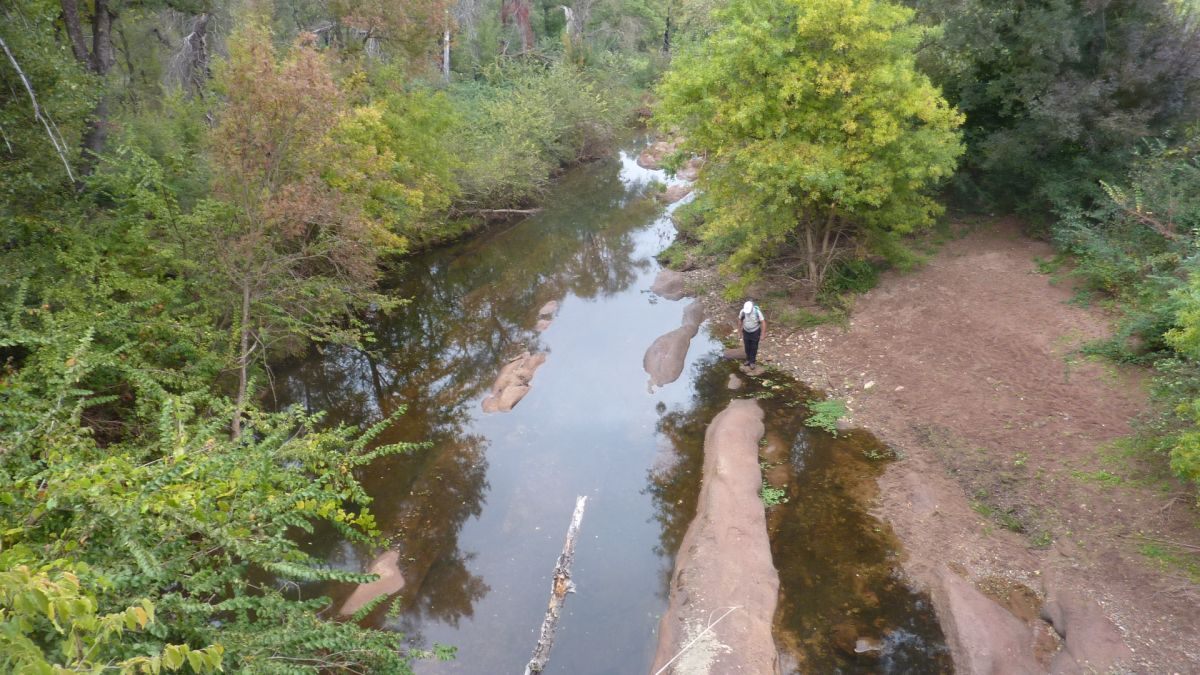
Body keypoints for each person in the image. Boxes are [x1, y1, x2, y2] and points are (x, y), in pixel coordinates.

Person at [736, 300, 765, 368]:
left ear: (752, 308)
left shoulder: (757, 312)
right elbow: (740, 320)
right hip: (746, 331)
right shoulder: (743, 311)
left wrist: (763, 334)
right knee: (747, 347)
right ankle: (748, 359)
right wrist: (739, 332)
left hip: (755, 332)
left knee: (754, 347)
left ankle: (752, 362)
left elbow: (763, 322)